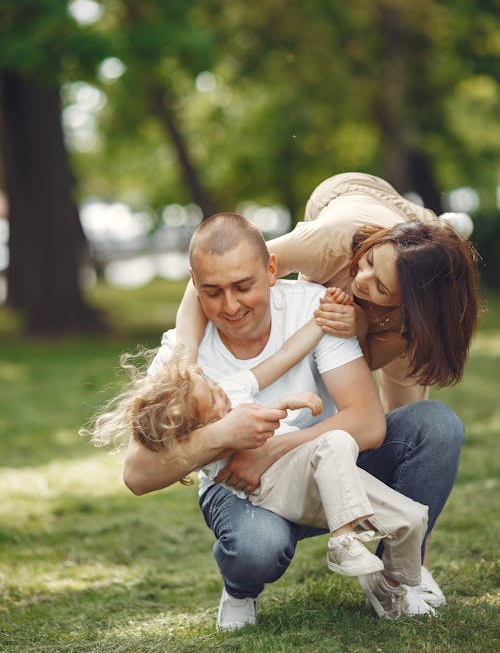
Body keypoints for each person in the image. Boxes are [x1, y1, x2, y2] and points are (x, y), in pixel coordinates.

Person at [121, 212, 464, 629]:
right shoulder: (180, 355)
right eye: (212, 292)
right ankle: (241, 589)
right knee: (257, 548)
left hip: (336, 475)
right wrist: (222, 435)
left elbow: (369, 424)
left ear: (270, 269)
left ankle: (392, 580)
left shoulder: (314, 309)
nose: (230, 307)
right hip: (247, 491)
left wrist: (270, 450)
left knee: (436, 426)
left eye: (243, 287)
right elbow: (137, 474)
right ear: (194, 285)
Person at [90, 288, 428, 608]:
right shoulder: (213, 448)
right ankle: (342, 541)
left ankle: (399, 587)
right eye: (210, 397)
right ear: (198, 426)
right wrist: (225, 433)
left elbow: (283, 357)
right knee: (334, 441)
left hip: (310, 467)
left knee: (411, 517)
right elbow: (150, 471)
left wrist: (319, 320)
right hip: (274, 491)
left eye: (207, 382)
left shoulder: (230, 389)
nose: (216, 388)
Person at [176, 172, 480, 413]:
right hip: (351, 193)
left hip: (407, 256)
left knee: (408, 408)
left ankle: (440, 229)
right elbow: (214, 275)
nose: (363, 279)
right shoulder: (329, 242)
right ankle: (438, 227)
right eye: (370, 263)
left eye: (380, 286)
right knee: (321, 300)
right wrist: (184, 361)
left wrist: (360, 328)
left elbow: (368, 361)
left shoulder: (415, 318)